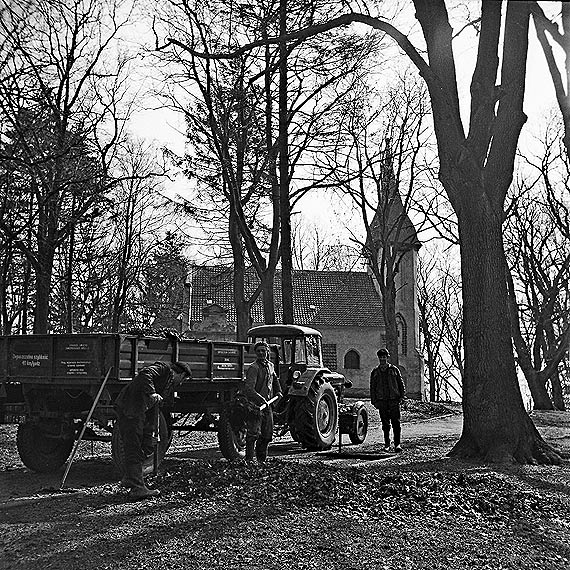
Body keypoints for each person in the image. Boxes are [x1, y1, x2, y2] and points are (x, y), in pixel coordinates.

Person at [114, 360, 192, 498]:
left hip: (140, 411)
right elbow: (145, 373)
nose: (181, 383)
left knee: (146, 445)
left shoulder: (168, 382)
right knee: (133, 445)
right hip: (130, 409)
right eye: (184, 379)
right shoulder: (163, 369)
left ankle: (130, 477)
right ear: (181, 374)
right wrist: (152, 393)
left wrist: (151, 427)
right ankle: (137, 488)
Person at [242, 341, 282, 462]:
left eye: (263, 351)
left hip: (267, 406)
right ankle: (249, 460)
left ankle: (262, 461)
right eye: (258, 351)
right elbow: (249, 389)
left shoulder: (270, 366)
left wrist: (278, 391)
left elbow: (275, 379)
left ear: (267, 352)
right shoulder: (253, 368)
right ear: (255, 353)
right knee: (252, 434)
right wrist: (261, 399)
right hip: (255, 406)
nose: (261, 353)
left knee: (267, 435)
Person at [370, 348, 406, 453]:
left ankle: (397, 444)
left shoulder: (394, 370)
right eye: (381, 357)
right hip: (382, 401)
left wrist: (402, 396)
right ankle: (387, 444)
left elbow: (400, 383)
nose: (382, 359)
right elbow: (372, 387)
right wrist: (374, 401)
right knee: (385, 424)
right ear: (379, 358)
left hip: (394, 400)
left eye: (384, 357)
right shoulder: (375, 372)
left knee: (396, 423)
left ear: (387, 357)